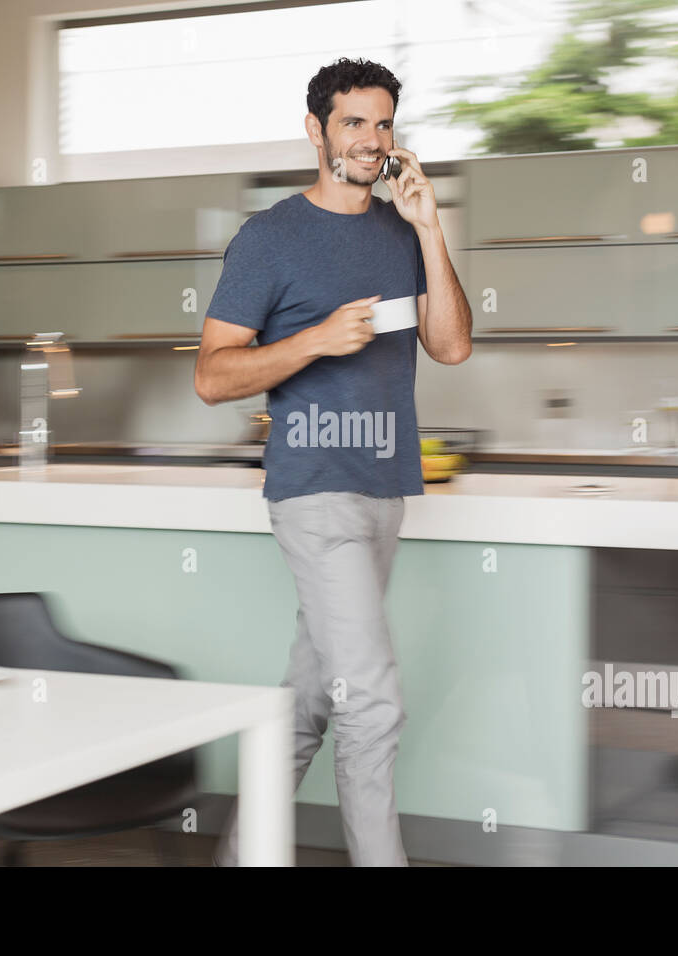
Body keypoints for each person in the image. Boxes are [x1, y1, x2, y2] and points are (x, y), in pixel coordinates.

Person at [194, 56, 472, 866]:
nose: (372, 139)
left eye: (384, 123)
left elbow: (451, 346)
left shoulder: (399, 231)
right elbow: (212, 375)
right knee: (374, 704)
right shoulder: (270, 238)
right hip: (313, 492)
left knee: (316, 699)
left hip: (386, 492)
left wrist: (427, 223)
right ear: (316, 129)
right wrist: (316, 339)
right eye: (354, 122)